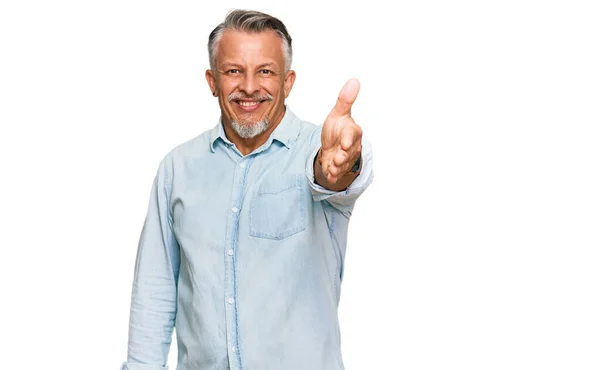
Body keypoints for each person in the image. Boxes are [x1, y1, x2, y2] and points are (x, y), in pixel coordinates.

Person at [121, 9, 374, 370]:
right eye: (234, 71)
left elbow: (334, 177)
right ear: (212, 81)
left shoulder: (316, 150)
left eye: (266, 71)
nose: (250, 87)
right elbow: (154, 291)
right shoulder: (177, 168)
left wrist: (342, 164)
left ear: (288, 82)